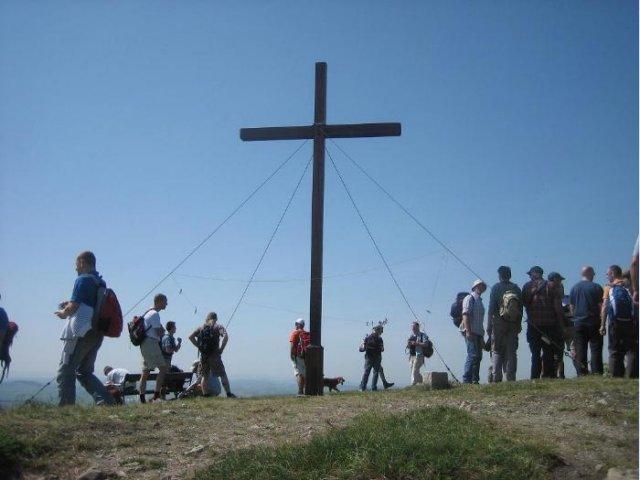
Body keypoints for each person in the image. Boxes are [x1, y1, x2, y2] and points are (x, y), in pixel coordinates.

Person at [54, 251, 115, 406]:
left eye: (76, 265)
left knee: (65, 371)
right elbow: (90, 304)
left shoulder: (83, 279)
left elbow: (74, 306)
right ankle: (107, 401)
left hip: (81, 331)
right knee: (84, 371)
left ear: (82, 262)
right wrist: (70, 303)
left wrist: (63, 312)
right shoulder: (100, 282)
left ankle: (66, 408)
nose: (76, 269)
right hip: (97, 331)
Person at [522, 266, 563, 379]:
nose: (529, 277)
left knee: (535, 352)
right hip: (549, 325)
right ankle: (548, 375)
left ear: (534, 273)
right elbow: (557, 307)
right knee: (548, 350)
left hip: (533, 325)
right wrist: (561, 324)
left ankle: (535, 376)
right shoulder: (551, 286)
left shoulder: (527, 286)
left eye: (530, 274)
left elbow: (524, 303)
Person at [600, 265, 638, 378]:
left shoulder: (608, 287)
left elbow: (605, 306)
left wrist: (602, 325)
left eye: (607, 274)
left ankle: (616, 376)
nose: (606, 276)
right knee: (632, 349)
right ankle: (632, 375)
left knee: (614, 349)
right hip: (631, 322)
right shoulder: (631, 286)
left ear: (612, 273)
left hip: (615, 322)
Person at [487, 266, 522, 382]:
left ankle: (496, 377)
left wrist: (488, 325)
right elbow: (520, 309)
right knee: (511, 351)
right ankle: (511, 377)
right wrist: (519, 324)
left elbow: (491, 308)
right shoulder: (516, 288)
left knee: (497, 350)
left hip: (498, 323)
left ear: (499, 276)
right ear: (510, 275)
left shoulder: (496, 288)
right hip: (513, 323)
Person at [189, 312, 236, 398]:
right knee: (222, 374)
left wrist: (199, 346)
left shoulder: (200, 328)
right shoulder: (218, 327)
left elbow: (190, 337)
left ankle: (205, 394)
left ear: (207, 318)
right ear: (216, 318)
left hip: (204, 356)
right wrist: (221, 349)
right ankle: (229, 393)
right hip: (215, 355)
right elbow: (225, 337)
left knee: (205, 376)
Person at [569, 266, 604, 376]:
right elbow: (601, 306)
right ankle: (597, 372)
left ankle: (582, 373)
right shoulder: (596, 287)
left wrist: (575, 318)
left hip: (579, 322)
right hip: (594, 321)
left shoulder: (574, 288)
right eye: (593, 273)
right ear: (590, 273)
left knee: (580, 349)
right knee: (596, 348)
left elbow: (571, 306)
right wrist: (603, 321)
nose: (594, 275)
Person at [138, 294, 169, 403]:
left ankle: (143, 397)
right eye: (165, 301)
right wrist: (162, 331)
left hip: (145, 343)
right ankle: (155, 396)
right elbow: (159, 332)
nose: (166, 304)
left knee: (146, 371)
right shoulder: (155, 314)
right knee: (162, 368)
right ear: (159, 301)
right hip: (151, 343)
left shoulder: (148, 312)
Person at [461, 280, 487, 384]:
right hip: (471, 331)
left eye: (483, 286)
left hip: (478, 332)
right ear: (475, 287)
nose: (482, 288)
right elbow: (465, 315)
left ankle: (475, 379)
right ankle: (467, 379)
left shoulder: (479, 300)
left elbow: (479, 319)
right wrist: (468, 331)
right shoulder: (469, 298)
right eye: (480, 286)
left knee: (478, 356)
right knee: (472, 355)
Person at [547, 272, 568, 378]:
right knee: (556, 351)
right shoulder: (556, 298)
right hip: (556, 327)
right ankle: (554, 373)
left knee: (558, 351)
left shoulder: (564, 299)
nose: (561, 286)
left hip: (552, 326)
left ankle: (559, 373)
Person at [359, 324, 392, 391]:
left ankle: (370, 388)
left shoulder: (379, 339)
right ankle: (365, 387)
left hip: (376, 357)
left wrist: (381, 348)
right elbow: (361, 349)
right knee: (368, 372)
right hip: (370, 357)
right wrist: (364, 346)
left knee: (374, 372)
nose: (382, 332)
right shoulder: (368, 338)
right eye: (381, 331)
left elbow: (382, 349)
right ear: (377, 330)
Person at [289, 318, 309, 395]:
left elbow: (292, 345)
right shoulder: (306, 333)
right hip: (306, 356)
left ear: (297, 324)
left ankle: (300, 391)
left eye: (295, 324)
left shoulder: (295, 333)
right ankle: (306, 390)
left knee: (298, 373)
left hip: (297, 356)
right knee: (304, 373)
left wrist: (291, 355)